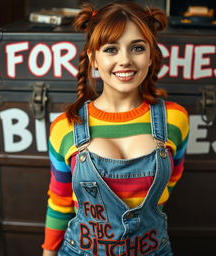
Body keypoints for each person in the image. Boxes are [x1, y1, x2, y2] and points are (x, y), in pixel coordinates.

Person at [42, 1, 189, 256]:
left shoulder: (175, 119)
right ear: (93, 59)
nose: (125, 60)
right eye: (111, 49)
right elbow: (60, 202)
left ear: (151, 54)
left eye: (137, 48)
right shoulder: (65, 127)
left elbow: (169, 185)